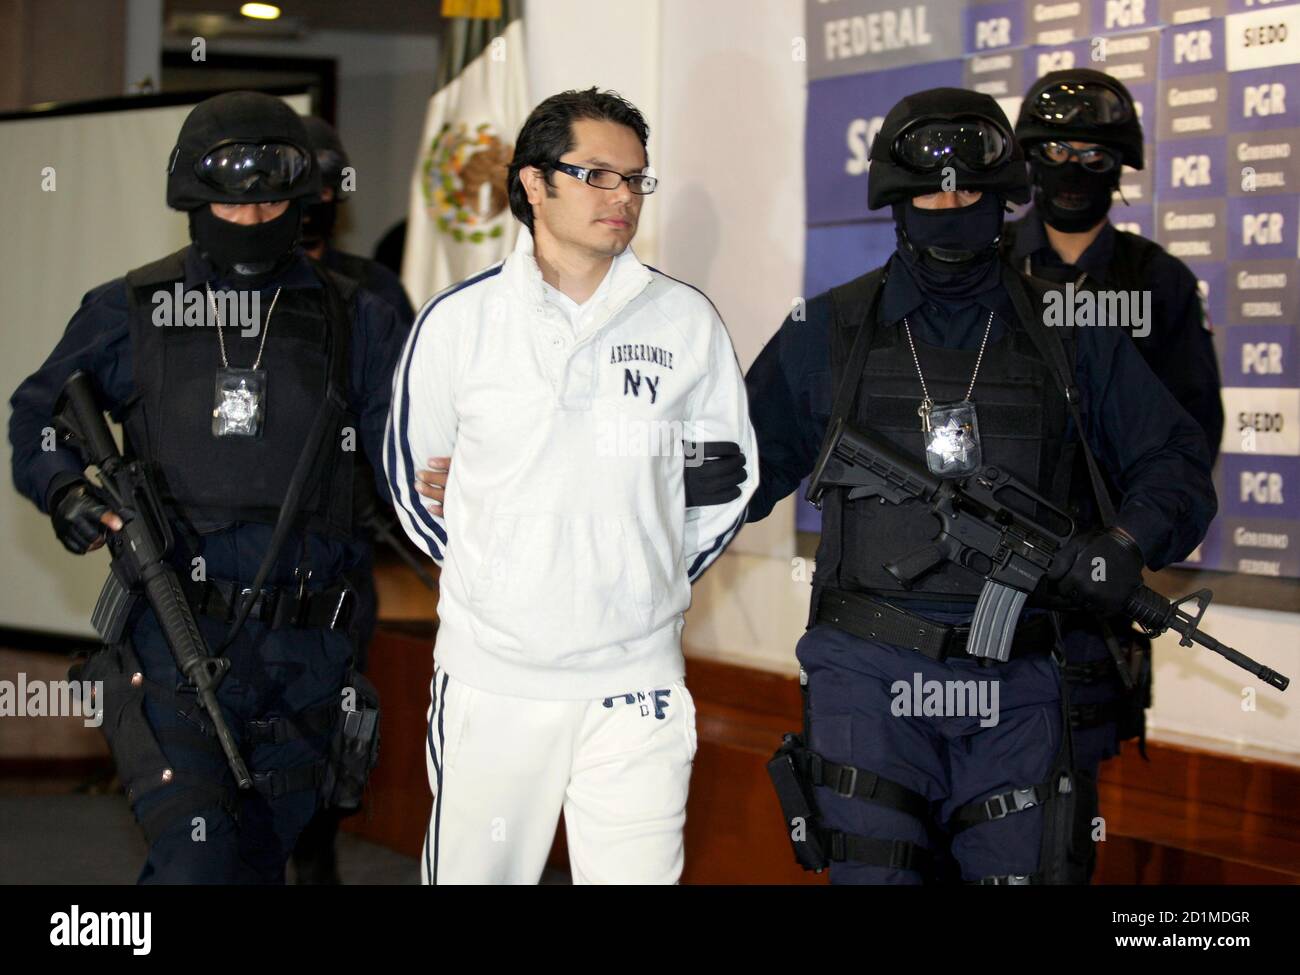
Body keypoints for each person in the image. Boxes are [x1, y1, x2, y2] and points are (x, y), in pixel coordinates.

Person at [745, 88, 1216, 884]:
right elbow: (735, 473)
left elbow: (1174, 459)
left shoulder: (1073, 333)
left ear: (1005, 201)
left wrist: (1126, 545)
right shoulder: (825, 330)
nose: (952, 204)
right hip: (869, 675)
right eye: (932, 189)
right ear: (896, 202)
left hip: (1021, 682)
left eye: (974, 190)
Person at [8, 91, 407, 884]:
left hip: (308, 654)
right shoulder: (133, 308)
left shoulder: (356, 317)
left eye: (271, 198)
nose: (253, 217)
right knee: (196, 859)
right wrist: (66, 493)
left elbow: (419, 448)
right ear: (192, 197)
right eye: (233, 197)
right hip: (172, 635)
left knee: (256, 863)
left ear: (302, 199)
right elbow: (37, 416)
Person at [385, 88, 757, 884]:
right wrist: (509, 574)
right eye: (596, 175)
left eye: (635, 179)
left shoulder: (685, 321)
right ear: (531, 184)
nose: (621, 197)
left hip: (638, 684)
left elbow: (728, 482)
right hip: (495, 680)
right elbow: (414, 485)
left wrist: (638, 571)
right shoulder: (459, 322)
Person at [1003, 69, 1224, 804]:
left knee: (1066, 818)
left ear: (1121, 166)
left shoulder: (1157, 281)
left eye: (1095, 156)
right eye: (1058, 150)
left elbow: (1190, 438)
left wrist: (1127, 541)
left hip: (1095, 588)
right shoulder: (984, 267)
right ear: (1028, 157)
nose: (1073, 170)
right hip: (986, 561)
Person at [289, 114, 419, 884]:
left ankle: (317, 856)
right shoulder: (206, 291)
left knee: (335, 734)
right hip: (228, 561)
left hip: (337, 557)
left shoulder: (370, 293)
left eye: (325, 186)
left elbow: (405, 417)